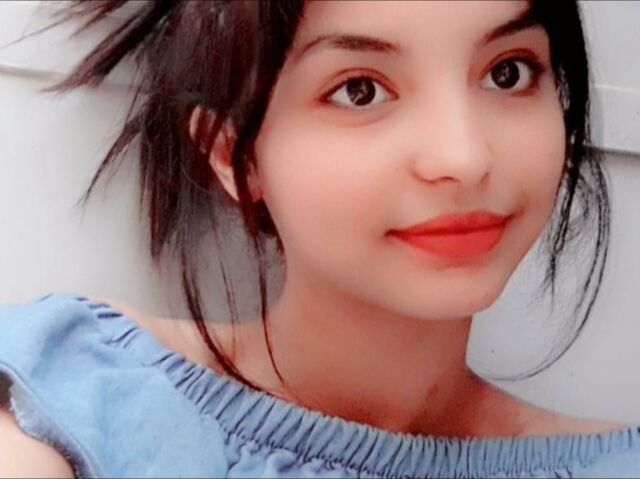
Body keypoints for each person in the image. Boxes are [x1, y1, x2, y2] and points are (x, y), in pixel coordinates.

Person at [0, 0, 636, 477]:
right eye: (360, 90)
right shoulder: (75, 396)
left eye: (507, 73)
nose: (464, 158)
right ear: (234, 158)